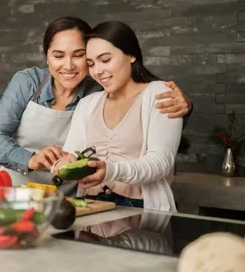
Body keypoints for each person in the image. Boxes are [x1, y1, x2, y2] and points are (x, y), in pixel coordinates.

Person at [0, 16, 192, 195]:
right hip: (13, 189)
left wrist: (185, 107)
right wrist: (31, 159)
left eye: (79, 55)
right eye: (58, 55)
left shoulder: (99, 90)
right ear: (47, 57)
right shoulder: (28, 82)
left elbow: (140, 110)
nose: (68, 65)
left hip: (67, 197)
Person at [51, 20, 184, 210]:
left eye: (105, 60)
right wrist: (61, 163)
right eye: (91, 63)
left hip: (140, 208)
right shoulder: (88, 104)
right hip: (92, 207)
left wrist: (111, 171)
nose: (97, 71)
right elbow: (71, 153)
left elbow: (160, 163)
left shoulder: (159, 94)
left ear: (131, 54)